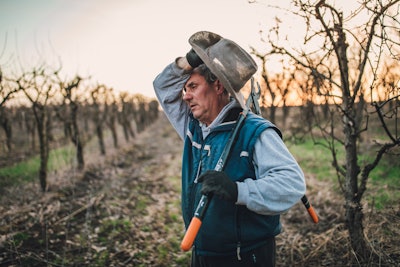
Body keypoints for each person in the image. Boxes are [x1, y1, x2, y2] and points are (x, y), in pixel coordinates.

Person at [153, 31, 306, 267]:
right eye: (185, 89)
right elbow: (162, 86)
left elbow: (292, 183)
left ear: (218, 86)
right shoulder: (193, 126)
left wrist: (238, 191)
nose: (186, 96)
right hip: (202, 249)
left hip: (244, 256)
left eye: (192, 86)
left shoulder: (254, 131)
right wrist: (189, 61)